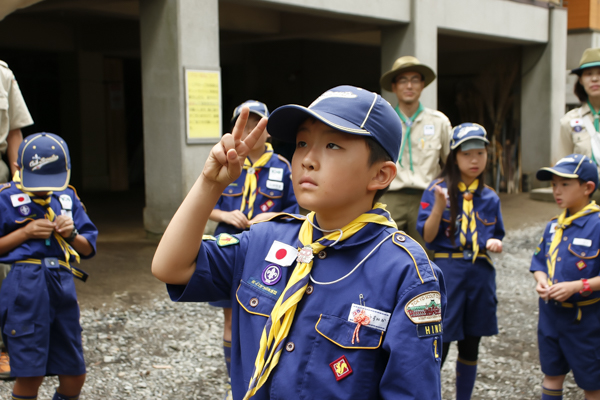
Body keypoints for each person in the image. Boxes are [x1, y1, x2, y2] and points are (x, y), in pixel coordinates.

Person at [152, 85, 446, 399]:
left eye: (332, 145)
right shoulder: (264, 241)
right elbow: (170, 267)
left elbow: (412, 391)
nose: (307, 159)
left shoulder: (405, 273)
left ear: (380, 175)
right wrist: (209, 183)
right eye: (302, 142)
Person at [207, 100, 298, 391]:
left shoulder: (283, 166)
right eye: (244, 124)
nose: (250, 130)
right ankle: (235, 379)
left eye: (257, 124)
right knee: (231, 316)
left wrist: (271, 218)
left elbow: (297, 209)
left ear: (268, 131)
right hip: (228, 241)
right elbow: (206, 204)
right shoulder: (225, 162)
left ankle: (261, 377)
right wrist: (224, 214)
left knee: (264, 309)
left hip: (269, 249)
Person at [0, 133, 98, 400]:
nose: (44, 189)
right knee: (31, 374)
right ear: (19, 167)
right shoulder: (6, 197)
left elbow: (88, 248)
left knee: (75, 373)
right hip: (25, 286)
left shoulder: (67, 197)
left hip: (62, 283)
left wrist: (71, 235)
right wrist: (25, 233)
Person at [416, 123, 504, 400]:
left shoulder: (490, 196)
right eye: (467, 154)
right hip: (447, 271)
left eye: (480, 153)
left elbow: (496, 234)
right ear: (455, 157)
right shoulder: (436, 189)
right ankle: (430, 395)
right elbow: (428, 238)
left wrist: (495, 243)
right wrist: (440, 206)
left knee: (471, 342)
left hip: (479, 272)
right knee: (437, 340)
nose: (475, 160)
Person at [530, 154, 600, 400]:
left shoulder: (597, 224)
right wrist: (541, 280)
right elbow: (539, 262)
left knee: (592, 382)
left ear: (588, 188)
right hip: (550, 314)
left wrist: (577, 286)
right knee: (551, 373)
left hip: (585, 319)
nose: (556, 191)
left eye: (565, 184)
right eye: (553, 185)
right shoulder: (553, 225)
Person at [379, 56, 452, 247]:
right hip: (390, 197)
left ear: (422, 85)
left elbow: (451, 163)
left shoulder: (439, 122)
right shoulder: (383, 121)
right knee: (387, 250)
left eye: (415, 80)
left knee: (426, 254)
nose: (409, 86)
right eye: (403, 80)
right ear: (394, 87)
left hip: (426, 198)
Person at [0, 60, 34, 378]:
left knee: (4, 267)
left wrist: (18, 177)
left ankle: (4, 346)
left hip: (0, 180)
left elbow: (14, 132)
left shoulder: (3, 73)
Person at [558, 48, 600, 176]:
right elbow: (564, 167)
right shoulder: (569, 121)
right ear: (580, 80)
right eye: (588, 74)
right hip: (584, 193)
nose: (594, 79)